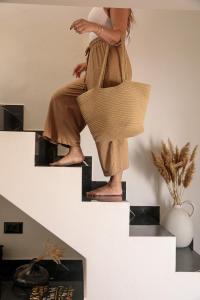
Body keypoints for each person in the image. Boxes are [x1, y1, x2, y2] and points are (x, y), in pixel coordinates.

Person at [42, 7, 134, 197]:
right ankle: (75, 150)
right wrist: (89, 63)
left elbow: (118, 36)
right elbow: (102, 42)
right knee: (63, 99)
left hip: (111, 64)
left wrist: (92, 26)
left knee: (109, 119)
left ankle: (115, 184)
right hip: (98, 61)